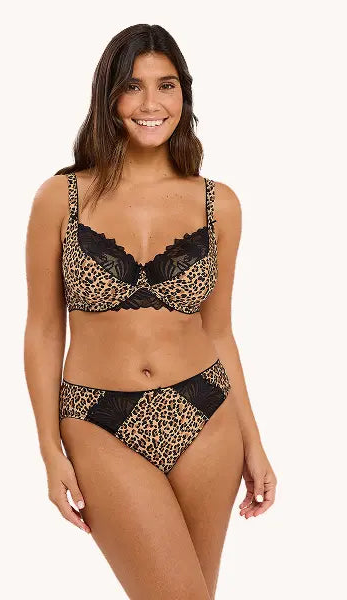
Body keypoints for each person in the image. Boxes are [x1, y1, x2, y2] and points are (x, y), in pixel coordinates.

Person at [24, 23, 277, 600]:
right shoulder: (60, 198)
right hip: (97, 418)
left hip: (206, 412)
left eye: (166, 85)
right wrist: (48, 451)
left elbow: (219, 331)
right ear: (108, 97)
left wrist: (254, 441)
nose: (150, 103)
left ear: (184, 95)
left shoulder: (218, 204)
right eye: (132, 86)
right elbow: (42, 331)